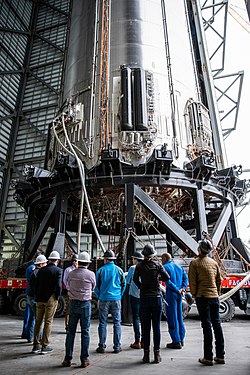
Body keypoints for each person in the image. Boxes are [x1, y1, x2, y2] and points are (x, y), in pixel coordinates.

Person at [188, 239, 225, 366]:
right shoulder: (214, 263)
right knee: (217, 325)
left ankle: (208, 357)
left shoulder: (195, 263)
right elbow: (219, 280)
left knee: (207, 326)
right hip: (214, 297)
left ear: (199, 249)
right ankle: (220, 356)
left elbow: (192, 282)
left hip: (202, 297)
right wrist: (217, 293)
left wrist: (194, 295)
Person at [133, 244, 170, 364]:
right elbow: (167, 277)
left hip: (144, 298)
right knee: (156, 327)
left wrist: (141, 287)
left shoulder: (139, 266)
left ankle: (146, 355)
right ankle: (157, 354)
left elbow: (134, 280)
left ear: (143, 254)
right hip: (156, 298)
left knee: (145, 327)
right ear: (153, 254)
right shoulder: (158, 265)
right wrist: (158, 278)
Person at [62, 251, 96, 368]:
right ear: (88, 263)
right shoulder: (91, 274)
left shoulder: (71, 273)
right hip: (85, 304)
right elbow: (93, 287)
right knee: (85, 332)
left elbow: (68, 285)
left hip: (73, 304)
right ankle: (84, 359)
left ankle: (67, 359)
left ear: (78, 262)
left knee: (71, 332)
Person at [94, 250, 126, 354]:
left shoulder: (101, 270)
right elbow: (123, 284)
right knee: (117, 323)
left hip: (104, 299)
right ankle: (117, 346)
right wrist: (119, 295)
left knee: (102, 323)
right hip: (116, 299)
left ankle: (102, 346)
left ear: (106, 259)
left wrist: (99, 296)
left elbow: (96, 286)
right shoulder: (119, 270)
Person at [32, 250, 62, 354]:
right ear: (57, 260)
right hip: (51, 298)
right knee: (48, 321)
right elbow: (58, 286)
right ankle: (45, 345)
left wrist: (37, 296)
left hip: (39, 298)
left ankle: (36, 345)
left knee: (38, 321)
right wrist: (57, 297)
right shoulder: (58, 270)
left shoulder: (41, 270)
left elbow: (36, 285)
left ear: (49, 260)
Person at [162, 252, 188, 349]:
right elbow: (186, 278)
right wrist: (182, 288)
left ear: (165, 258)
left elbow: (167, 281)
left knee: (172, 317)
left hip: (171, 294)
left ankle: (176, 341)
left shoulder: (166, 268)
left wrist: (176, 289)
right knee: (179, 316)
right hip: (179, 294)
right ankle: (181, 338)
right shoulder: (178, 267)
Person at [26, 254, 48, 344]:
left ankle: (30, 337)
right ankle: (38, 339)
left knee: (32, 318)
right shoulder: (39, 273)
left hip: (29, 297)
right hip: (35, 299)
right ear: (42, 264)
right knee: (39, 320)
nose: (46, 264)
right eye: (45, 263)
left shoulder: (33, 271)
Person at [126, 251, 144, 349]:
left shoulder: (132, 268)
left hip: (134, 296)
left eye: (133, 259)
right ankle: (144, 341)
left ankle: (137, 341)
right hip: (144, 296)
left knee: (136, 318)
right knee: (144, 319)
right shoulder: (145, 267)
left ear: (136, 260)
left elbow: (128, 281)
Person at [21, 257, 36, 341]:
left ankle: (25, 332)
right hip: (32, 293)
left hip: (29, 292)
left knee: (28, 314)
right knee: (32, 315)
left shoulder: (29, 267)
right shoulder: (33, 268)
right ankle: (29, 334)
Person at [63, 254, 78, 332]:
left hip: (78, 293)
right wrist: (69, 288)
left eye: (76, 261)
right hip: (70, 292)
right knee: (69, 310)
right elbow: (65, 280)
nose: (75, 262)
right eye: (74, 261)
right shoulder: (68, 270)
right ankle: (67, 326)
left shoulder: (80, 270)